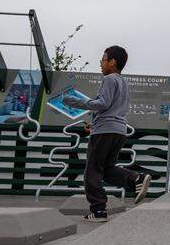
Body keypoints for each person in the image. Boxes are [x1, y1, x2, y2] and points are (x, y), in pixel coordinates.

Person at [63, 46, 151, 221]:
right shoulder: (124, 82)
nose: (101, 63)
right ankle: (136, 179)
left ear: (112, 62)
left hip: (105, 131)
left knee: (92, 172)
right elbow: (113, 108)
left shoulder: (110, 79)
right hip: (118, 131)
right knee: (107, 169)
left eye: (103, 60)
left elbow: (103, 103)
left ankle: (98, 210)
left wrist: (73, 101)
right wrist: (95, 126)